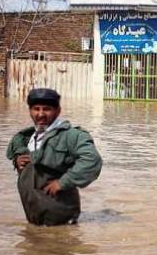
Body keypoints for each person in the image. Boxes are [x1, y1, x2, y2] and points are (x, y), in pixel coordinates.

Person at [6, 88, 102, 226]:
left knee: (59, 246)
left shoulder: (71, 135)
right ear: (30, 111)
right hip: (35, 218)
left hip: (60, 221)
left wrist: (63, 183)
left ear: (58, 111)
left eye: (47, 109)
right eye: (36, 109)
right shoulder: (27, 137)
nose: (40, 114)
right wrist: (18, 160)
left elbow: (92, 161)